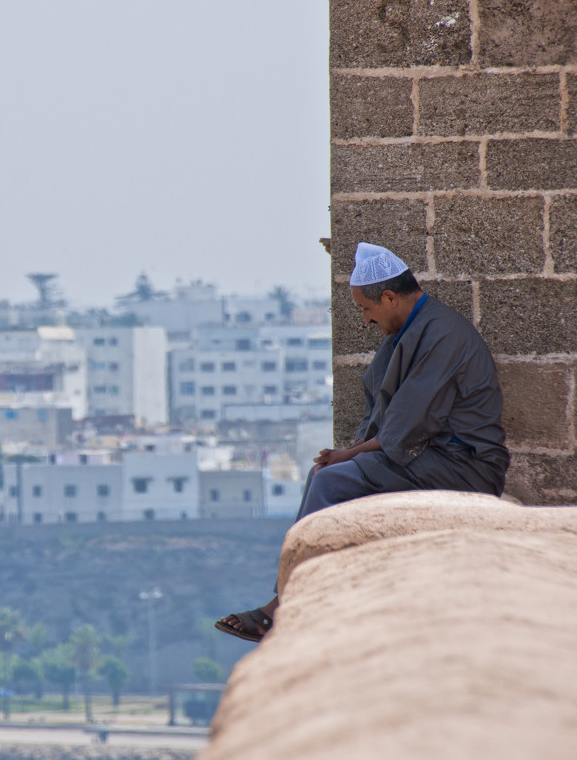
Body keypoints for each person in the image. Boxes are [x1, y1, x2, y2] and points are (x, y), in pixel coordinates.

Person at [215, 242, 510, 642]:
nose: (367, 320)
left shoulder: (442, 333)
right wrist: (346, 454)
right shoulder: (410, 331)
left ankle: (282, 608)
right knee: (324, 473)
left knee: (330, 481)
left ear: (389, 298)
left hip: (465, 466)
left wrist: (349, 454)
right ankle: (285, 597)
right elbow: (381, 409)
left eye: (367, 309)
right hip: (429, 457)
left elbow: (408, 423)